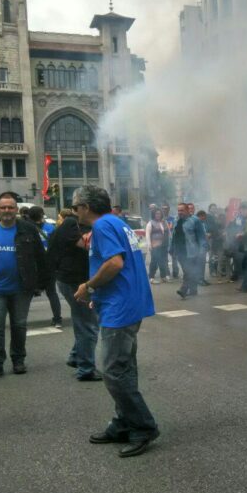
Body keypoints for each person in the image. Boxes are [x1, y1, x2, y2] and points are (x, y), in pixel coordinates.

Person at [72, 185, 159, 458]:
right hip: (126, 303)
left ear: (86, 207)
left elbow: (114, 264)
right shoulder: (117, 222)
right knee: (124, 367)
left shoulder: (102, 227)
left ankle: (143, 426)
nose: (74, 212)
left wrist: (88, 286)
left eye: (75, 207)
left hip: (119, 309)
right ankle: (123, 423)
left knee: (112, 371)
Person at [0, 192, 49, 381]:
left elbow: (41, 258)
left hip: (21, 289)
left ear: (16, 209)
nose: (7, 211)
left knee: (19, 325)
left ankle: (18, 360)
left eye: (10, 207)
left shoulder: (28, 230)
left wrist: (40, 284)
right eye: (3, 207)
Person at [48, 211, 101, 381]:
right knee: (88, 324)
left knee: (83, 320)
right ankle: (86, 368)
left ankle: (76, 356)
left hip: (72, 279)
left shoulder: (77, 224)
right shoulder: (72, 224)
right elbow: (86, 245)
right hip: (74, 280)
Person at [28, 206, 62, 328]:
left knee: (25, 294)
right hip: (48, 265)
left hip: (32, 265)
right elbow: (56, 246)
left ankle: (19, 319)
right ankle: (57, 319)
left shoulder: (27, 228)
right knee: (52, 292)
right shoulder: (50, 228)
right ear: (42, 215)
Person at [171, 203, 207, 299]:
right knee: (189, 271)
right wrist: (171, 248)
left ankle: (183, 289)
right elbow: (173, 236)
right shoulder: (176, 220)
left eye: (182, 210)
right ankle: (193, 290)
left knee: (188, 271)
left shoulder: (195, 221)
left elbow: (202, 237)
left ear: (187, 210)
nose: (180, 212)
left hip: (191, 251)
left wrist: (202, 250)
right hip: (180, 251)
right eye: (178, 210)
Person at [145, 208, 171, 283]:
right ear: (153, 214)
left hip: (164, 244)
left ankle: (163, 276)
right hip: (155, 245)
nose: (158, 215)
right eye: (156, 213)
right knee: (154, 261)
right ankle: (151, 277)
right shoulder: (150, 223)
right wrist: (149, 245)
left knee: (163, 261)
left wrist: (169, 242)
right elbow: (147, 234)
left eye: (159, 213)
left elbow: (169, 232)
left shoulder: (164, 222)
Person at [162, 204, 179, 279]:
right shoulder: (160, 219)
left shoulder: (173, 219)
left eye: (166, 209)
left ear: (169, 209)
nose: (165, 210)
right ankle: (167, 272)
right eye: (163, 209)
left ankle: (175, 272)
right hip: (163, 241)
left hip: (173, 240)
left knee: (174, 257)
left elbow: (175, 228)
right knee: (164, 258)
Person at [195, 210, 211, 286]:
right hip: (198, 247)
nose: (204, 218)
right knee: (199, 264)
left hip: (204, 246)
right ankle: (199, 279)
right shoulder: (195, 224)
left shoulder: (203, 224)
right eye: (203, 216)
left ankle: (202, 278)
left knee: (203, 264)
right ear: (199, 216)